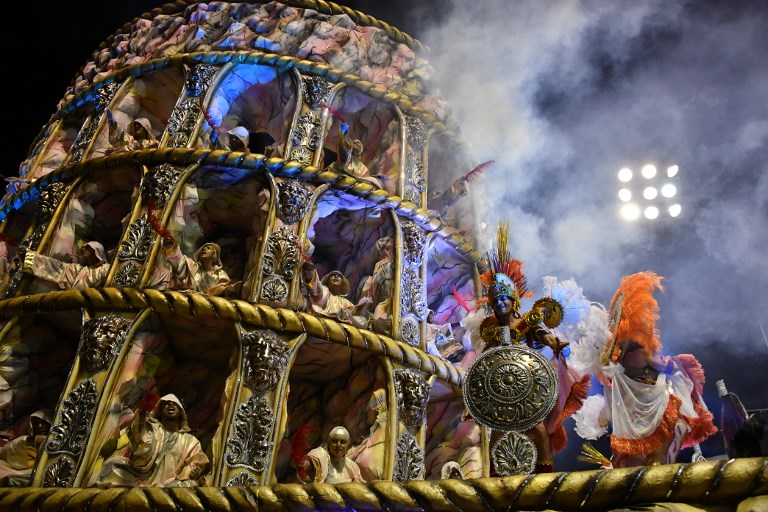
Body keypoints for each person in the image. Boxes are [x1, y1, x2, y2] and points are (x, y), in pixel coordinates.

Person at [467, 222, 589, 474]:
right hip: (501, 390)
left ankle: (544, 481)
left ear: (514, 302)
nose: (500, 303)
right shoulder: (489, 332)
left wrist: (557, 344)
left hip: (529, 386)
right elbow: (487, 363)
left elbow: (546, 337)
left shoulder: (528, 322)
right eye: (496, 300)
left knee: (540, 432)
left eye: (504, 299)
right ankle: (494, 480)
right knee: (497, 434)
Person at [572, 271, 717, 468]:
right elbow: (662, 365)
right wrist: (672, 364)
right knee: (662, 450)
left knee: (636, 463)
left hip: (635, 407)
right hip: (649, 404)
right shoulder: (639, 347)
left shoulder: (618, 352)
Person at [94, 394, 208, 488]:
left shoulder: (190, 441)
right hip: (140, 480)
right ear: (159, 411)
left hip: (172, 485)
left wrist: (193, 471)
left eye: (174, 403)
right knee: (112, 466)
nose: (170, 404)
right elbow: (140, 450)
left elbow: (197, 462)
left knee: (191, 485)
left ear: (181, 413)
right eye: (165, 403)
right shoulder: (151, 428)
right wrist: (141, 421)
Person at [301, 261, 371, 328]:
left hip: (342, 318)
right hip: (324, 315)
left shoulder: (344, 301)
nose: (336, 276)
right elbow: (316, 288)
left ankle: (340, 320)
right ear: (327, 281)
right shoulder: (324, 290)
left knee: (363, 321)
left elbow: (352, 312)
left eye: (339, 276)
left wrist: (362, 303)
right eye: (333, 275)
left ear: (342, 284)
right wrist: (311, 272)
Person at [22, 241, 110, 290]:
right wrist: (29, 257)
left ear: (97, 251)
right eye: (83, 247)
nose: (83, 249)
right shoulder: (79, 269)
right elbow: (57, 267)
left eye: (87, 247)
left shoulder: (106, 269)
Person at [160, 239, 235, 296]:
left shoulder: (220, 274)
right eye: (202, 249)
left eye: (208, 248)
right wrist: (171, 246)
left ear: (214, 256)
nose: (204, 249)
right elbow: (181, 262)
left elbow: (224, 291)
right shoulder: (193, 267)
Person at [0, 409, 53, 486]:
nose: (40, 426)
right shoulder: (25, 440)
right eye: (36, 423)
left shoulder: (50, 443)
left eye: (43, 422)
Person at [300, 426, 365, 484]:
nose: (338, 445)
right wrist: (308, 464)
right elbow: (306, 468)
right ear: (329, 442)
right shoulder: (320, 456)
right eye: (334, 441)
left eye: (342, 442)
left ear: (348, 444)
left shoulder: (352, 466)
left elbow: (361, 487)